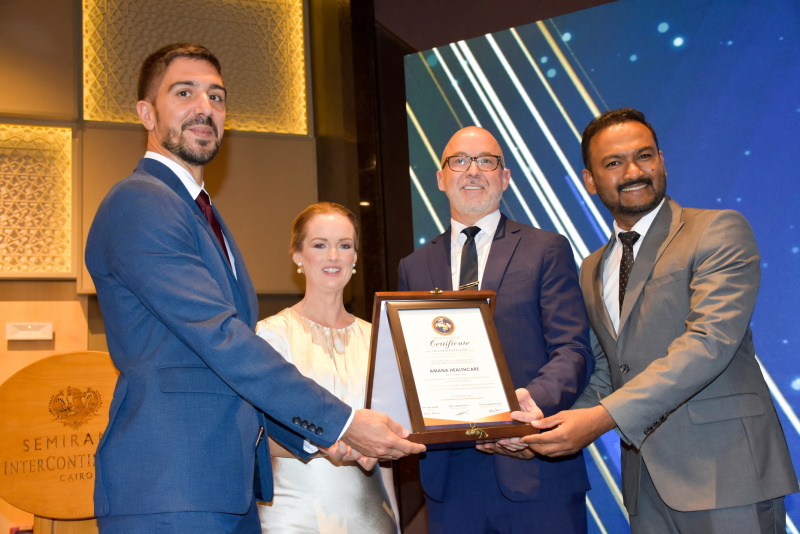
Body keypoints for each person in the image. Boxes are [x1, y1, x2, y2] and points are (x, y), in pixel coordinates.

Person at [85, 43, 424, 533]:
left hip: (222, 487)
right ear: (146, 113)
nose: (205, 107)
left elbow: (225, 371)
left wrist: (323, 439)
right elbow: (220, 338)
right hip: (171, 488)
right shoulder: (140, 202)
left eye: (216, 97)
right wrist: (344, 422)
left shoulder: (200, 212)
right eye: (184, 93)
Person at [522, 108, 799, 533]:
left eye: (644, 156)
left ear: (662, 161)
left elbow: (708, 344)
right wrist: (544, 429)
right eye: (614, 163)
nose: (633, 172)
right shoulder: (592, 267)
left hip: (728, 476)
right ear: (590, 181)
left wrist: (600, 419)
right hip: (646, 488)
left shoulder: (717, 230)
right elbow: (607, 372)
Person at [397, 126, 594, 533]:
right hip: (450, 481)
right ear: (441, 178)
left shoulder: (546, 248)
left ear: (505, 178)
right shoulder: (413, 266)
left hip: (535, 468)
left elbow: (573, 350)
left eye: (486, 161)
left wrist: (529, 407)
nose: (473, 171)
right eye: (459, 161)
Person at [255, 202, 398, 532]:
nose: (333, 256)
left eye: (344, 245)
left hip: (372, 518)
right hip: (293, 519)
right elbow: (259, 434)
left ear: (355, 257)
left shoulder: (379, 338)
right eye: (320, 245)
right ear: (297, 255)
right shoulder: (272, 335)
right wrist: (333, 443)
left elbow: (386, 444)